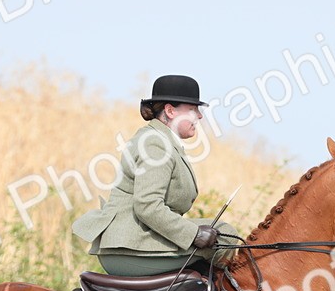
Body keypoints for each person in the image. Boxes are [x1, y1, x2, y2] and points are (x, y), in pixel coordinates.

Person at [71, 75, 238, 276]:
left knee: (220, 232)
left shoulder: (161, 140)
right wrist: (193, 234)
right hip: (129, 247)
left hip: (138, 241)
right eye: (193, 109)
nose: (200, 116)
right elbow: (147, 205)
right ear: (170, 111)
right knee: (226, 235)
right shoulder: (155, 144)